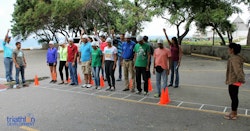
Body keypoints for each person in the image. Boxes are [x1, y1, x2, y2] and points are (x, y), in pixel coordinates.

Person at [224, 43, 245, 120]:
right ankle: (233, 112)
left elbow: (238, 70)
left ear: (232, 50)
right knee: (233, 97)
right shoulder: (235, 58)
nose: (228, 50)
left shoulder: (234, 59)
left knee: (234, 97)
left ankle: (234, 114)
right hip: (233, 80)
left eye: (228, 48)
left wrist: (241, 79)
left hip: (234, 80)